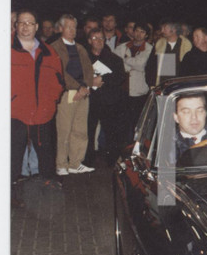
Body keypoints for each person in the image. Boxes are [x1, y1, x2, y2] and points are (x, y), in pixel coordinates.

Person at [11, 10, 64, 196]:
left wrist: (50, 102)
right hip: (14, 114)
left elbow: (58, 81)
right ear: (16, 25)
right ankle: (8, 195)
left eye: (30, 23)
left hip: (42, 113)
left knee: (46, 155)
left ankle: (48, 190)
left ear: (36, 27)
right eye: (22, 22)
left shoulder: (49, 52)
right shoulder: (5, 49)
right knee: (11, 157)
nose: (25, 26)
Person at [49, 14, 97, 175]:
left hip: (83, 94)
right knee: (64, 130)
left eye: (74, 27)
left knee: (80, 130)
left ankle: (75, 163)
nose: (72, 30)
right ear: (61, 28)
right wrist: (78, 87)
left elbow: (89, 69)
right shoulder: (55, 47)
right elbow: (59, 72)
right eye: (68, 27)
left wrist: (86, 87)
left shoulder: (81, 47)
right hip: (67, 94)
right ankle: (61, 164)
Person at [82, 27, 126, 167]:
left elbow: (120, 77)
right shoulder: (84, 58)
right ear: (89, 41)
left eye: (101, 38)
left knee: (111, 132)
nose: (99, 41)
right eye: (95, 38)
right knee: (88, 130)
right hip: (90, 100)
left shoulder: (114, 58)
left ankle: (112, 160)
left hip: (109, 101)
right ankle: (87, 159)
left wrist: (103, 78)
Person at [122, 21, 155, 141]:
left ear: (146, 35)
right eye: (137, 31)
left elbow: (141, 65)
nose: (139, 34)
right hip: (125, 90)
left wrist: (126, 59)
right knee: (125, 124)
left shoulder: (150, 49)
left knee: (139, 123)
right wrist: (132, 63)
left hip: (140, 91)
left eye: (142, 32)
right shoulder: (123, 46)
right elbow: (117, 63)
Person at [170, 93, 207, 164]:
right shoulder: (167, 148)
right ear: (176, 117)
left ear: (205, 113)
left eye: (199, 110)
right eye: (186, 112)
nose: (194, 117)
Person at [151, 19, 191, 85]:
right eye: (161, 28)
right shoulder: (160, 44)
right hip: (162, 85)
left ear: (174, 29)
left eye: (165, 28)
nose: (162, 31)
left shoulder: (185, 44)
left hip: (179, 85)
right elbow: (152, 67)